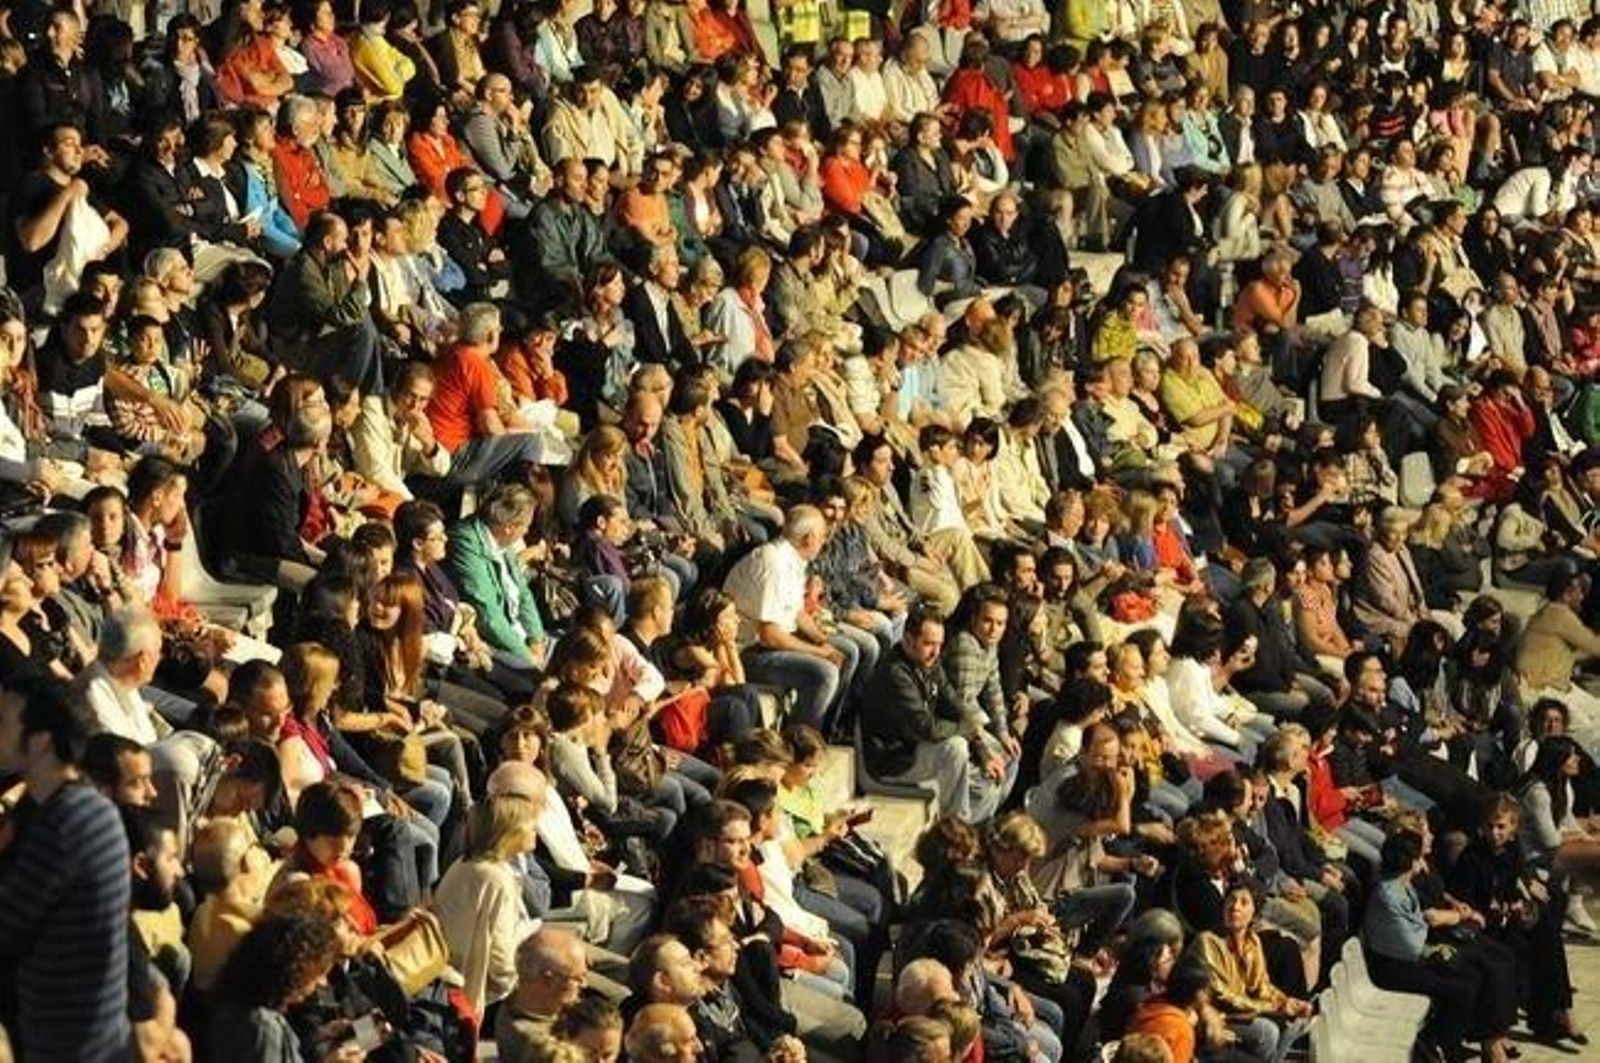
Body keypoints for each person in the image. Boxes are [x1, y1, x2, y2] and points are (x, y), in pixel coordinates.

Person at [0, 680, 133, 1062]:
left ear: (40, 741)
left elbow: (7, 927)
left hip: (69, 1045)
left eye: (4, 721)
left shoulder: (67, 822)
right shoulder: (77, 805)